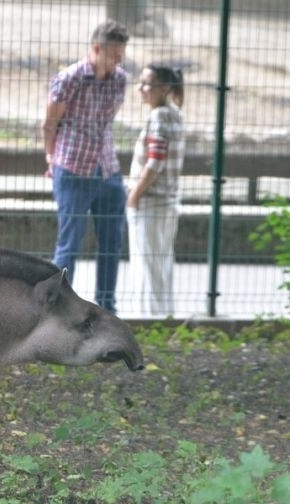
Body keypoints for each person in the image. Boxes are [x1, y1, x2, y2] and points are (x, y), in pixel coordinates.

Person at [42, 20, 130, 313]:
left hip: (107, 168)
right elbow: (50, 123)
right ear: (96, 49)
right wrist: (51, 159)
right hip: (73, 168)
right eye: (115, 54)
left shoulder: (120, 80)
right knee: (69, 245)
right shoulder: (69, 79)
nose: (120, 60)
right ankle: (59, 311)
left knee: (111, 244)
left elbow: (106, 121)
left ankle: (107, 309)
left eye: (122, 54)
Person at [126, 64, 185, 316]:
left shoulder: (159, 116)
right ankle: (164, 317)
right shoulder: (175, 115)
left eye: (147, 84)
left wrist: (134, 195)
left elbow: (155, 161)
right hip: (167, 202)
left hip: (150, 202)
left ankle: (148, 320)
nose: (141, 88)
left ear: (164, 89)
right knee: (161, 265)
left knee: (146, 266)